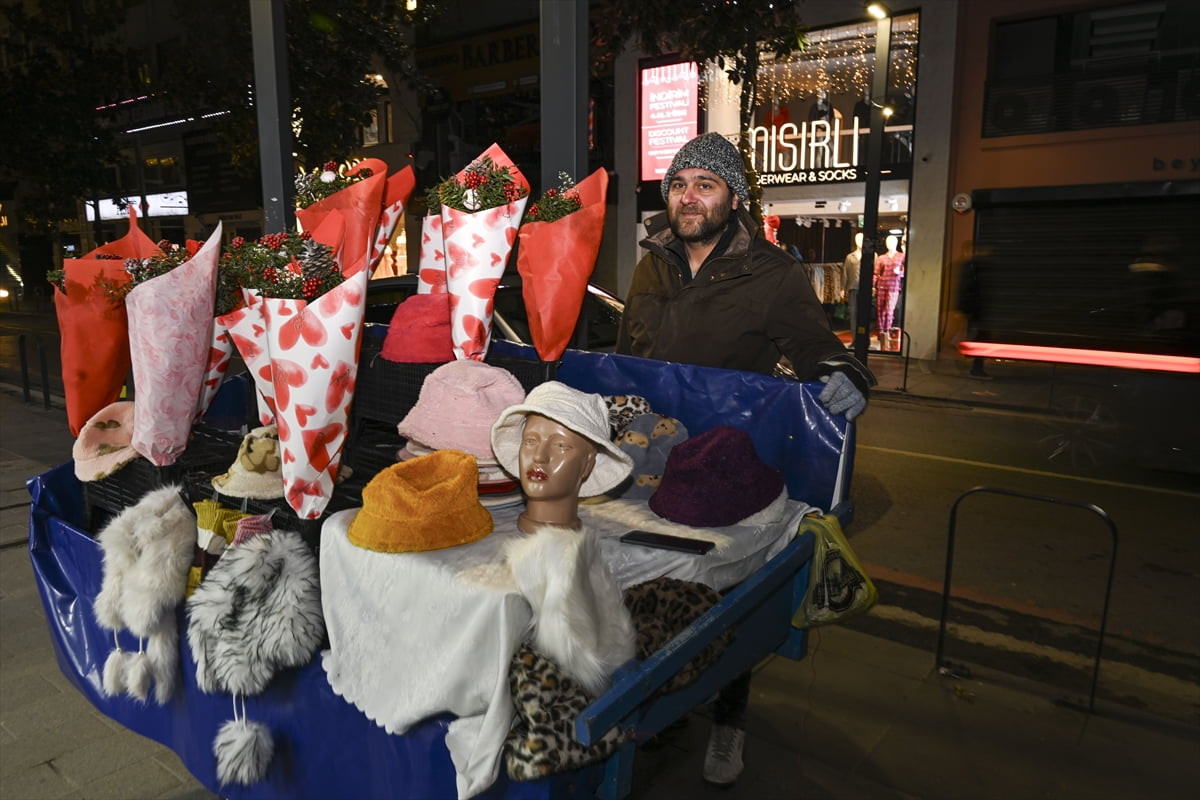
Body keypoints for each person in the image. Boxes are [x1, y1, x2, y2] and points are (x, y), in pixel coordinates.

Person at [615, 131, 875, 787]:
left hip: (730, 466)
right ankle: (665, 705)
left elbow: (820, 348)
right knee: (656, 583)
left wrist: (848, 376)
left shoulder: (772, 272)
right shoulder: (652, 266)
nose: (688, 197)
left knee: (725, 591)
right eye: (678, 185)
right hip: (653, 457)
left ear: (734, 196)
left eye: (704, 184)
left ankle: (729, 718)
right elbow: (626, 353)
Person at [873, 234, 905, 351]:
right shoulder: (882, 258)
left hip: (893, 287)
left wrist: (900, 273)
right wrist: (872, 285)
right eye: (888, 242)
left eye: (892, 242)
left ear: (896, 243)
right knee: (880, 311)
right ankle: (882, 334)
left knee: (889, 311)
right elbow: (876, 273)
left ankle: (887, 331)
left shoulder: (901, 256)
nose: (889, 244)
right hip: (881, 286)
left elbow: (906, 270)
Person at [843, 232, 863, 343]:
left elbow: (875, 272)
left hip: (865, 289)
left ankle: (865, 339)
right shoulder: (850, 257)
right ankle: (855, 339)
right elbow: (845, 273)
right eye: (858, 239)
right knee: (853, 313)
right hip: (853, 288)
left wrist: (874, 286)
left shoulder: (872, 255)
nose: (860, 241)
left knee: (864, 314)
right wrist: (842, 288)